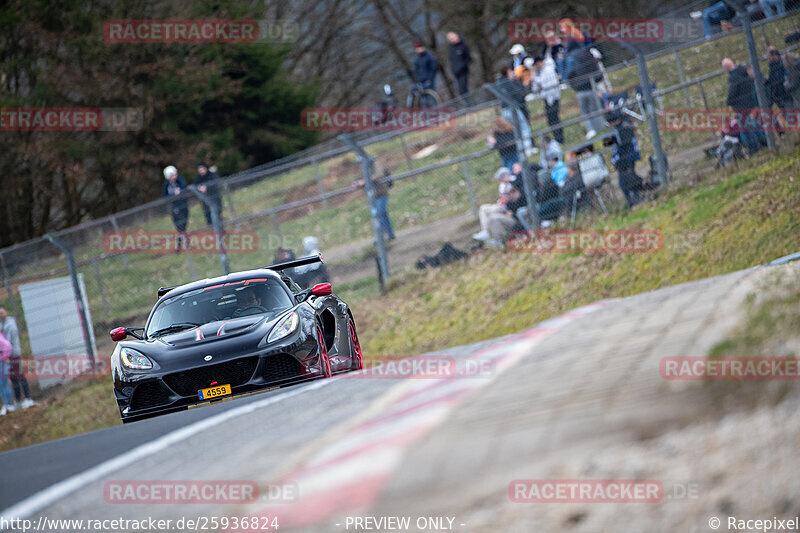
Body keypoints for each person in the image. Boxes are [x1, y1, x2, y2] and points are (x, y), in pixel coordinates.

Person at [565, 41, 604, 139]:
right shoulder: (587, 52)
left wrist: (576, 87)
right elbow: (596, 70)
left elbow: (569, 75)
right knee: (595, 110)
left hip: (580, 90)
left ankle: (590, 130)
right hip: (591, 87)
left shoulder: (570, 57)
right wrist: (596, 81)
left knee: (585, 112)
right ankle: (599, 129)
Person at [0, 307, 33, 409]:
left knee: (19, 375)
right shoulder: (2, 325)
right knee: (13, 378)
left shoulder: (11, 325)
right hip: (6, 355)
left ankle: (28, 398)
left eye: (1, 312)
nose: (0, 315)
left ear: (6, 311)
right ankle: (18, 400)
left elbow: (8, 342)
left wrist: (4, 352)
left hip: (14, 354)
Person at [497, 66, 534, 153]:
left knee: (515, 130)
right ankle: (527, 148)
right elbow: (518, 94)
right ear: (507, 73)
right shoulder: (508, 82)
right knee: (524, 127)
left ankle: (520, 149)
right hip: (512, 109)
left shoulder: (499, 83)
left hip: (504, 110)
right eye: (510, 72)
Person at [354, 167, 395, 242]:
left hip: (382, 194)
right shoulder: (363, 167)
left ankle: (383, 236)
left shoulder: (374, 164)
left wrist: (366, 180)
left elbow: (379, 174)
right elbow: (358, 178)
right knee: (382, 215)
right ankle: (389, 235)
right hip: (373, 197)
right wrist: (357, 182)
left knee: (380, 214)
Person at [531, 55, 563, 144]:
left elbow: (547, 84)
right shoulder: (541, 71)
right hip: (547, 98)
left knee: (554, 119)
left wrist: (535, 79)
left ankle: (560, 139)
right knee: (551, 120)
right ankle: (557, 138)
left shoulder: (548, 70)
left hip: (552, 98)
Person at [162, 165, 189, 251]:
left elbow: (184, 187)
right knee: (180, 227)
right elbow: (165, 196)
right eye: (172, 175)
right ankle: (184, 245)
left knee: (183, 226)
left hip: (183, 205)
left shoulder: (180, 180)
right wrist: (173, 195)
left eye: (175, 174)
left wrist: (180, 191)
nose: (174, 176)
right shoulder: (166, 185)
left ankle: (180, 246)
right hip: (175, 207)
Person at [447, 32, 472, 104]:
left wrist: (462, 66)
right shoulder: (451, 47)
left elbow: (468, 58)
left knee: (463, 88)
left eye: (452, 38)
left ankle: (469, 104)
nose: (451, 40)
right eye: (449, 39)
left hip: (463, 71)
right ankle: (467, 104)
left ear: (457, 36)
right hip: (455, 72)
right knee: (460, 90)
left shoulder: (463, 46)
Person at [195, 162, 223, 227]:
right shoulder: (199, 177)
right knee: (208, 214)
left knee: (217, 213)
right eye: (199, 169)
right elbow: (195, 184)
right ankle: (211, 227)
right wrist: (199, 187)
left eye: (202, 169)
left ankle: (219, 227)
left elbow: (215, 182)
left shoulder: (212, 174)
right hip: (206, 199)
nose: (201, 171)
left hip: (215, 197)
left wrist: (207, 187)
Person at [0, 330, 14, 415]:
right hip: (3, 362)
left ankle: (7, 404)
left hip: (2, 363)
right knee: (3, 384)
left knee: (2, 384)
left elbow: (8, 346)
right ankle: (8, 404)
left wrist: (4, 356)